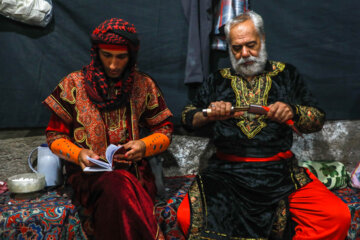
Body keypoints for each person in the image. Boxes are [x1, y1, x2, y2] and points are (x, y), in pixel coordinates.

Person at [178, 11, 350, 240]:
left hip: (279, 173)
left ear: (263, 39)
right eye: (236, 48)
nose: (245, 54)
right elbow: (188, 117)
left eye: (251, 45)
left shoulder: (286, 74)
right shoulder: (217, 79)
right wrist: (208, 114)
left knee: (336, 216)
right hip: (227, 173)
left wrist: (293, 111)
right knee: (187, 218)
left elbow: (316, 118)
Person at [43, 18, 173, 240]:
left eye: (121, 57)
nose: (113, 65)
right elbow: (54, 136)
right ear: (96, 53)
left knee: (122, 183)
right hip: (88, 175)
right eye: (107, 56)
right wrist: (79, 154)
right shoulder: (72, 85)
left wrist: (144, 146)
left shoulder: (143, 85)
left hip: (134, 172)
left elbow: (165, 130)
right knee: (117, 184)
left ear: (131, 56)